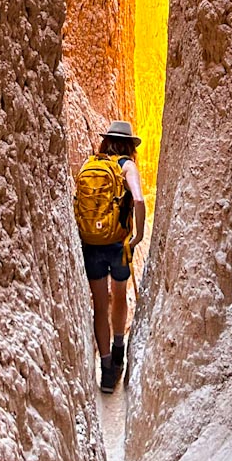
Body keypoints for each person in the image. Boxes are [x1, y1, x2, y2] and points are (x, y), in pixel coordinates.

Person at [81, 120, 145, 393]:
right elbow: (139, 200)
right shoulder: (126, 166)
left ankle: (106, 369)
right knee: (119, 295)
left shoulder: (91, 164)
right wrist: (139, 234)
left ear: (106, 141)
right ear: (129, 145)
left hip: (92, 243)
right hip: (118, 244)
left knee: (99, 303)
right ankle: (119, 350)